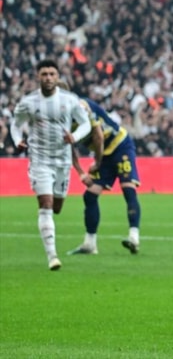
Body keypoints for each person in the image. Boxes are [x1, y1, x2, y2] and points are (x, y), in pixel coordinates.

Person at [10, 60, 91, 270]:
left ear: (57, 76)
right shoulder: (28, 102)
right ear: (38, 76)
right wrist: (17, 140)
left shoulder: (69, 100)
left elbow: (86, 124)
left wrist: (74, 137)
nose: (48, 78)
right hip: (40, 159)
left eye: (52, 74)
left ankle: (51, 242)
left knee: (57, 207)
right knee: (45, 205)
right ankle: (52, 257)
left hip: (62, 160)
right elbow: (15, 125)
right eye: (44, 74)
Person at [65, 91, 143, 255]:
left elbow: (99, 136)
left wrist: (98, 163)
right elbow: (67, 146)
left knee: (128, 189)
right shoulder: (59, 118)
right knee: (90, 196)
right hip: (103, 153)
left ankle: (134, 237)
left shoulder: (82, 108)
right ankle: (90, 244)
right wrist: (81, 173)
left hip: (120, 145)